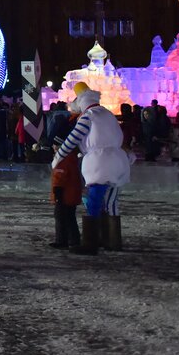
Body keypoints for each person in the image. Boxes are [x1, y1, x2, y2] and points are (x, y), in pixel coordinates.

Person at [52, 84, 132, 254]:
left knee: (94, 201)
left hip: (100, 162)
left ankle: (90, 243)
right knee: (111, 201)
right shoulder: (107, 114)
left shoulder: (87, 116)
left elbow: (72, 139)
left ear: (81, 101)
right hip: (118, 161)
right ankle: (113, 240)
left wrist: (59, 156)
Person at [49, 117, 83, 250]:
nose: (53, 147)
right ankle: (68, 240)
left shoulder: (63, 158)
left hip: (65, 195)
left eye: (55, 145)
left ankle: (66, 241)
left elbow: (60, 175)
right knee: (67, 217)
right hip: (70, 194)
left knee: (63, 218)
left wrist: (57, 191)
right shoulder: (71, 157)